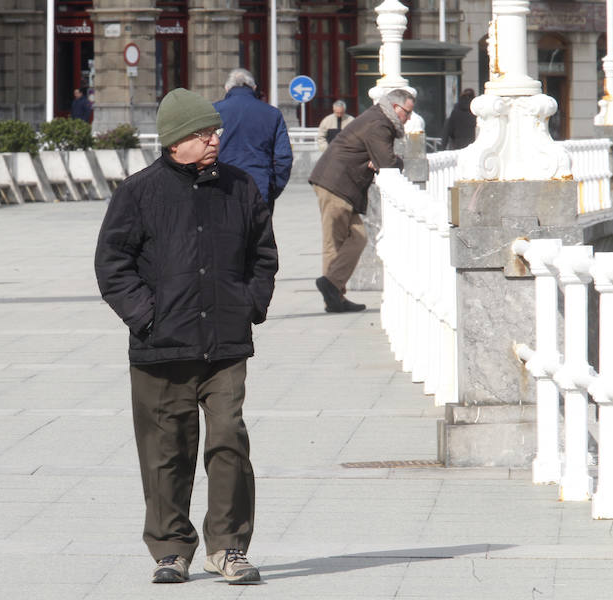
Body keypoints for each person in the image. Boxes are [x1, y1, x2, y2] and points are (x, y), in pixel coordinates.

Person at [95, 87, 277, 585]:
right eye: (202, 133)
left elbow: (263, 256)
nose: (213, 138)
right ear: (175, 141)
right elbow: (113, 265)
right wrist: (146, 318)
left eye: (214, 130)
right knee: (165, 452)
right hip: (160, 349)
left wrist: (248, 308)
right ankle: (171, 549)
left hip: (225, 345)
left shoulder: (240, 187)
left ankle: (229, 547)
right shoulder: (139, 192)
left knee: (228, 443)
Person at [308, 88, 415, 313]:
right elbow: (386, 161)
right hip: (335, 183)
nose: (409, 118)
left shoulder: (378, 118)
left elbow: (379, 158)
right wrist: (398, 161)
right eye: (407, 112)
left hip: (341, 185)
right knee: (335, 243)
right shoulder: (380, 123)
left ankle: (332, 287)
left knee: (358, 238)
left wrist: (378, 159)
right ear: (396, 108)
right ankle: (333, 295)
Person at [213, 68, 292, 213]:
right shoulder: (272, 114)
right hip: (259, 187)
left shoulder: (213, 112)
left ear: (227, 88)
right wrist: (273, 187)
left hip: (221, 188)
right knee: (258, 235)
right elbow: (283, 157)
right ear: (254, 87)